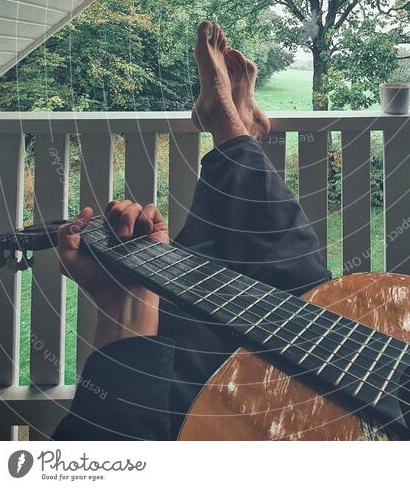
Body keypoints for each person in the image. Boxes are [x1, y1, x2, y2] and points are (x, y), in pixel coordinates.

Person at [54, 22, 330, 440]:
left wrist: (127, 302)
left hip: (202, 406)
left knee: (230, 288)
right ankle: (231, 125)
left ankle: (232, 125)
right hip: (286, 401)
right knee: (301, 284)